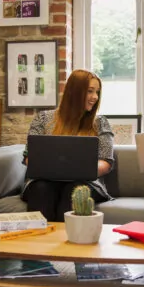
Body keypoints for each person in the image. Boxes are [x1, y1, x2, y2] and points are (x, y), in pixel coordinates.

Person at [22, 69, 114, 222]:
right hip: (45, 181)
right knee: (41, 188)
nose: (95, 97)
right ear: (74, 92)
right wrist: (51, 169)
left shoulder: (100, 123)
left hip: (85, 183)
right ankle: (38, 243)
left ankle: (67, 242)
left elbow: (107, 161)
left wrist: (81, 171)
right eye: (90, 91)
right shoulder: (43, 119)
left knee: (74, 189)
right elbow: (29, 158)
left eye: (97, 92)